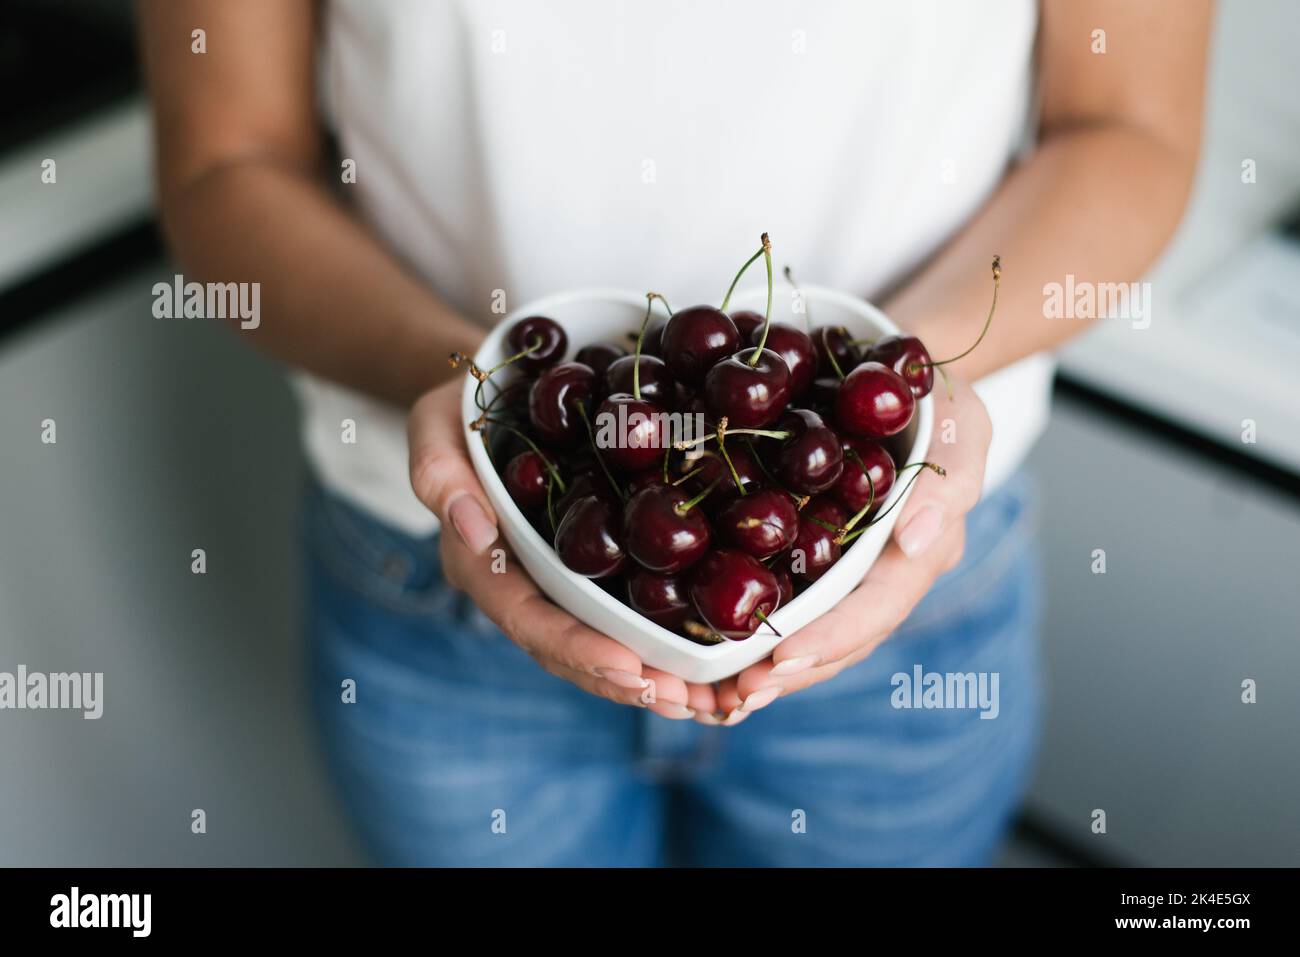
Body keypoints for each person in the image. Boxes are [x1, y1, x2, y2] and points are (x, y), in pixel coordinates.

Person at [139, 0, 1209, 865]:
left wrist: (904, 376)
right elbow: (225, 164)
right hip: (437, 564)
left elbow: (1128, 128)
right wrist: (462, 383)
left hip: (899, 570)